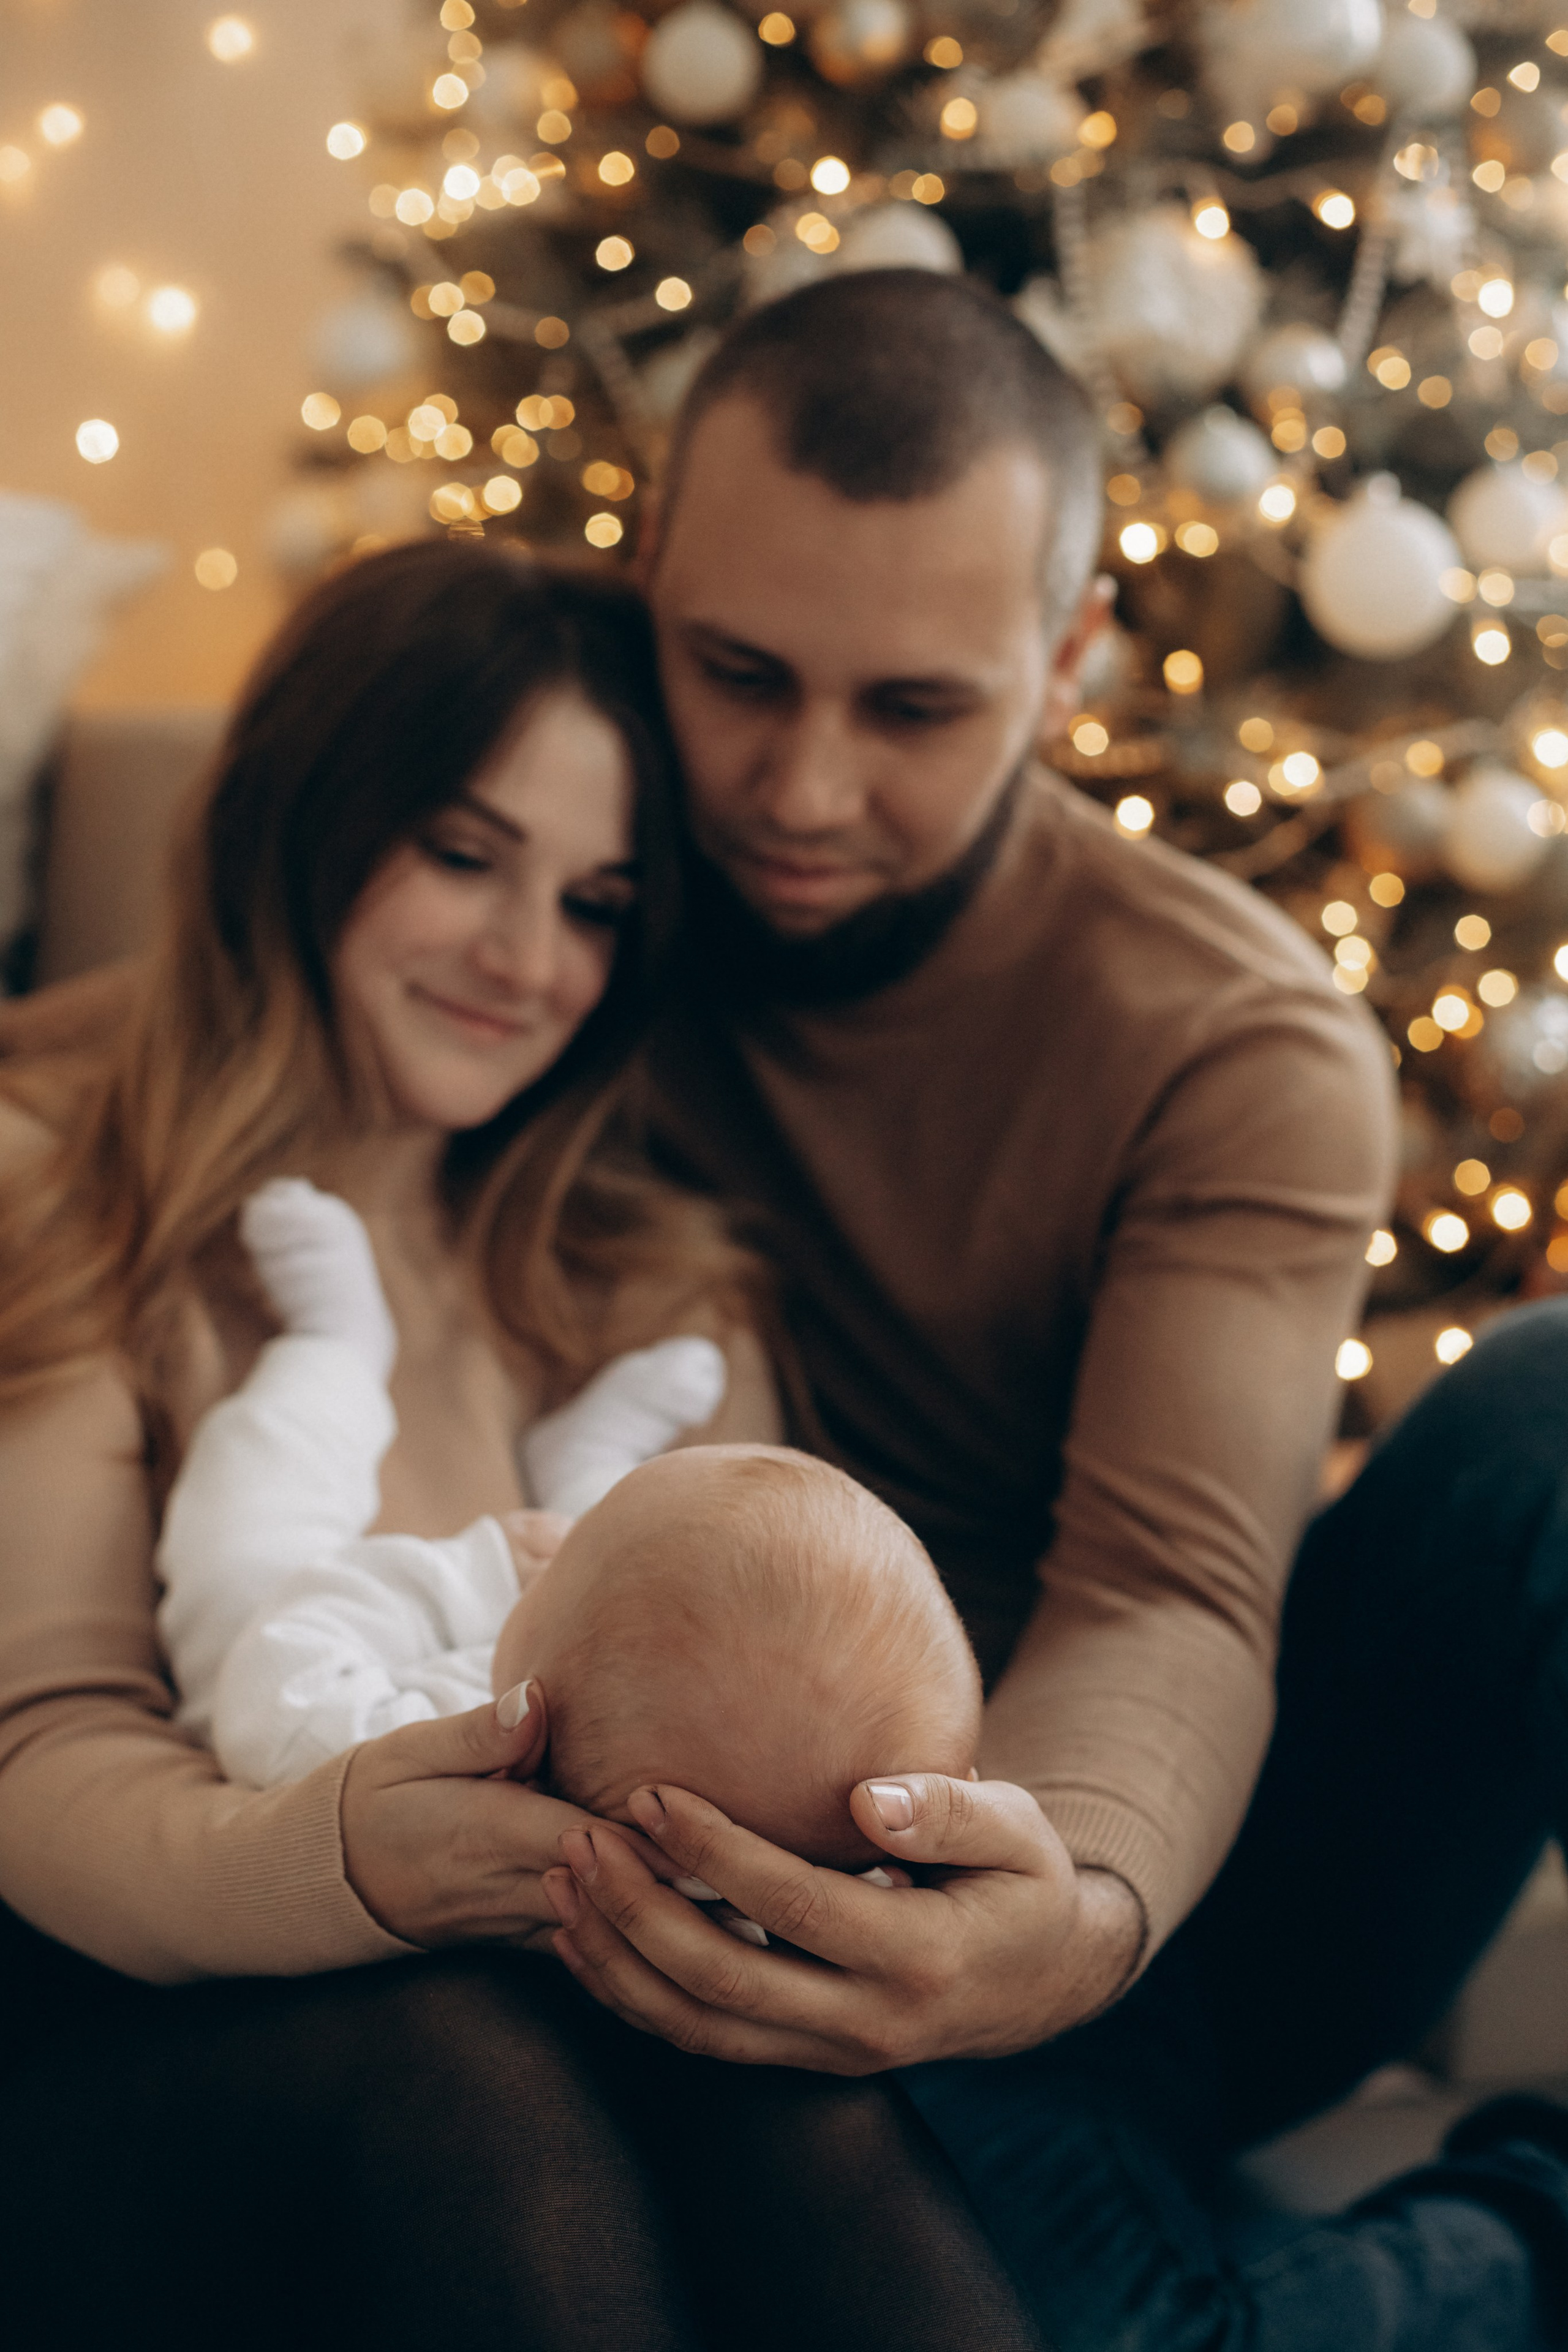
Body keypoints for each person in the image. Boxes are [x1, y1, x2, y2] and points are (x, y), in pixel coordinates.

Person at [503, 270, 1568, 2349]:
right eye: (737, 672)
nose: (801, 791)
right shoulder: (531, 871)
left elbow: (1168, 1587)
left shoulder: (1233, 1038)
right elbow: (185, 1056)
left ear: (1069, 658)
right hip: (686, 1822)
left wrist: (1054, 1915)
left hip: (1112, 1858)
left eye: (915, 710)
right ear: (653, 579)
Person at [0, 538, 1044, 2351]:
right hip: (105, 2013)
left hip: (549, 2029)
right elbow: (41, 1747)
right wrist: (340, 1860)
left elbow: (791, 1720)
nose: (520, 957)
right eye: (467, 856)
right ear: (301, 826)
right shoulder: (58, 1184)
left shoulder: (655, 1293)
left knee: (792, 2107)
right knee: (462, 2072)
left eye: (594, 904)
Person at [159, 1172, 980, 1882]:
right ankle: (591, 1454)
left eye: (561, 1564)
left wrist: (479, 1573)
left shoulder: (431, 1758)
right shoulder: (745, 1832)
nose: (545, 1549)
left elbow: (277, 1680)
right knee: (663, 1563)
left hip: (279, 1639)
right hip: (583, 1666)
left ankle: (333, 1349)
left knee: (258, 1516)